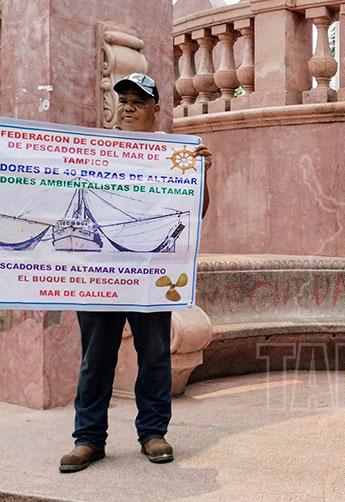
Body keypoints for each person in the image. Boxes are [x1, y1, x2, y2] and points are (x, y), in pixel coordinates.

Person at [59, 72, 214, 473]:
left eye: (138, 101)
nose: (128, 107)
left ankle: (153, 433)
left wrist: (200, 175)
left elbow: (195, 213)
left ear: (156, 110)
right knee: (96, 358)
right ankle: (88, 439)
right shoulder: (95, 149)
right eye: (124, 101)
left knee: (155, 356)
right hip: (100, 276)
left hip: (150, 277)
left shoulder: (174, 154)